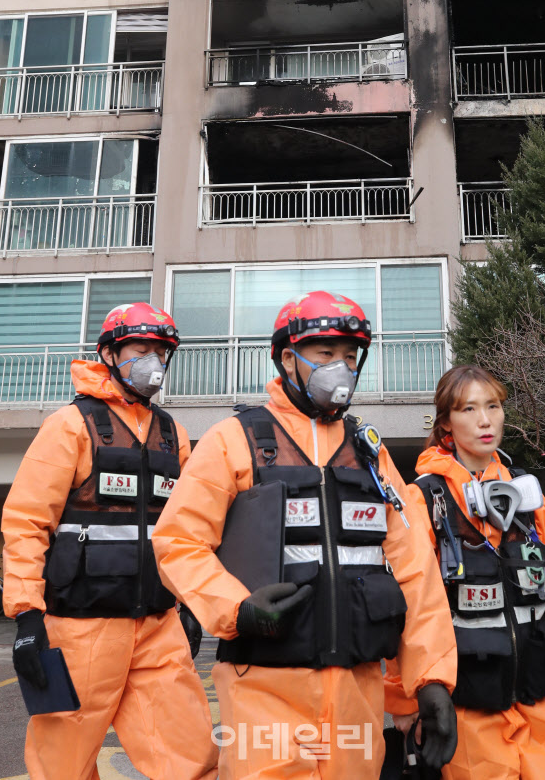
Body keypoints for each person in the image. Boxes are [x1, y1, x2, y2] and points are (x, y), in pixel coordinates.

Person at [152, 290, 458, 779]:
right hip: (264, 683)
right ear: (287, 358)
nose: (342, 366)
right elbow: (178, 541)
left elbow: (414, 568)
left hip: (358, 687)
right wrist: (236, 609)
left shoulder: (368, 450)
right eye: (326, 353)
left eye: (350, 356)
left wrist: (431, 681)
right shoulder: (236, 440)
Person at [2, 302, 218, 780]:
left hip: (159, 628)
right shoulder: (69, 426)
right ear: (108, 353)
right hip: (80, 628)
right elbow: (26, 523)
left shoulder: (171, 434)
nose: (153, 361)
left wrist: (187, 606)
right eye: (140, 349)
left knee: (191, 759)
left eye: (161, 352)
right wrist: (26, 617)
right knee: (63, 766)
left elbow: (183, 533)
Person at [384, 364, 545, 780]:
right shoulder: (423, 499)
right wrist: (404, 700)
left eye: (493, 405)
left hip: (539, 692)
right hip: (467, 702)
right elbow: (408, 603)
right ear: (446, 424)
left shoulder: (526, 494)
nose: (485, 420)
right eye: (469, 409)